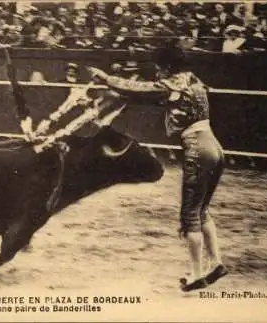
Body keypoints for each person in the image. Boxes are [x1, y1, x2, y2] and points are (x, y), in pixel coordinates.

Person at [87, 42, 229, 292]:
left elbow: (138, 88)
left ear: (168, 67)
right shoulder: (194, 81)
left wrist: (106, 77)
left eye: (160, 67)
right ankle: (216, 262)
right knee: (202, 210)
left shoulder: (171, 84)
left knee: (190, 215)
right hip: (215, 146)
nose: (157, 72)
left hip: (197, 148)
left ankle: (197, 274)